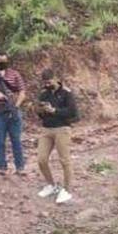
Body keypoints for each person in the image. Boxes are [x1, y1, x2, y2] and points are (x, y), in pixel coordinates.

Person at [35, 70, 78, 205]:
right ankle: (51, 185)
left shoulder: (66, 93)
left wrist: (55, 111)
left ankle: (67, 190)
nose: (47, 85)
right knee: (41, 159)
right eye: (45, 83)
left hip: (62, 129)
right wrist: (40, 110)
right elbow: (40, 114)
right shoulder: (44, 93)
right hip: (46, 129)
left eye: (49, 82)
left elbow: (73, 112)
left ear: (56, 79)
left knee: (64, 160)